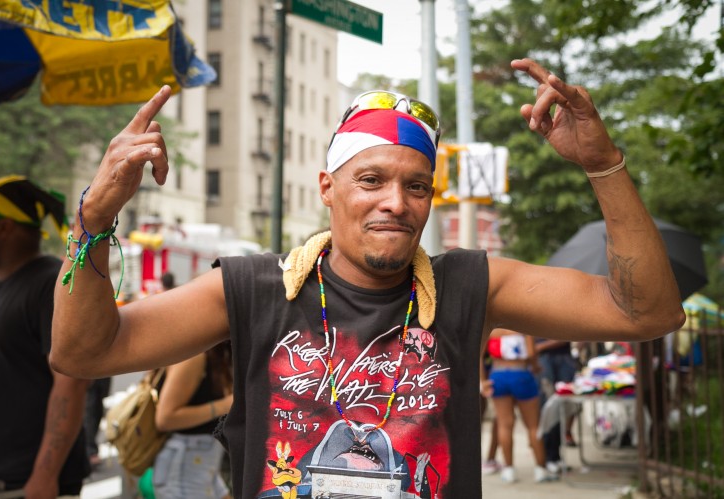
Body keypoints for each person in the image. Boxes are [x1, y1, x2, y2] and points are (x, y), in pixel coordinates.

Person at [50, 59, 685, 498]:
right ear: (328, 188)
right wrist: (95, 217)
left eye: (415, 185)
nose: (395, 202)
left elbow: (647, 314)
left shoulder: (469, 287)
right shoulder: (254, 288)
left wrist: (603, 165)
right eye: (371, 180)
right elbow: (83, 352)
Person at [0, 176, 90, 497]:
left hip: (35, 482)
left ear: (4, 228)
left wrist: (45, 474)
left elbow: (71, 383)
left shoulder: (51, 284)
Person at [152, 341, 234, 498]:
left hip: (201, 465)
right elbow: (165, 417)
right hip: (185, 466)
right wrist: (224, 405)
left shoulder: (213, 355)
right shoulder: (194, 357)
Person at [481, 329, 553, 483]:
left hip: (498, 376)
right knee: (533, 426)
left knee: (504, 425)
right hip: (521, 374)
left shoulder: (492, 330)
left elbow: (479, 356)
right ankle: (541, 469)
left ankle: (509, 470)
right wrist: (535, 367)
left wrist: (482, 381)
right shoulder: (521, 326)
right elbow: (532, 353)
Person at [536, 338, 579, 472]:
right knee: (548, 407)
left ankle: (555, 456)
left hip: (559, 358)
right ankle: (549, 457)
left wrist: (540, 347)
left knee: (561, 408)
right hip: (545, 359)